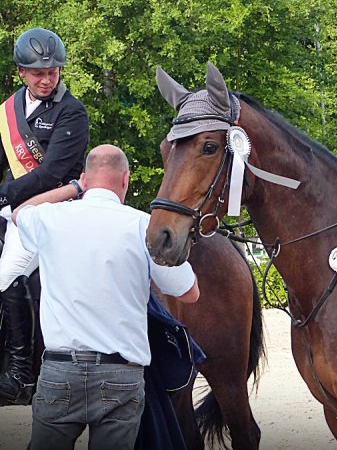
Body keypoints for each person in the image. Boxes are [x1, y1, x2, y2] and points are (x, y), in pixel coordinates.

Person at [12, 144, 199, 449]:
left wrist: (73, 188)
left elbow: (19, 213)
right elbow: (189, 293)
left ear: (85, 177)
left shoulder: (50, 218)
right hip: (120, 374)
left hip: (61, 369)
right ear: (125, 179)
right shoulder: (142, 226)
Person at [0, 27, 90, 405]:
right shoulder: (8, 111)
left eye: (52, 72)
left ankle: (21, 373)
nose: (46, 79)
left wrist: (3, 195)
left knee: (7, 275)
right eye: (38, 73)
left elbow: (52, 173)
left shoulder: (72, 111)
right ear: (22, 72)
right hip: (12, 208)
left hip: (53, 208)